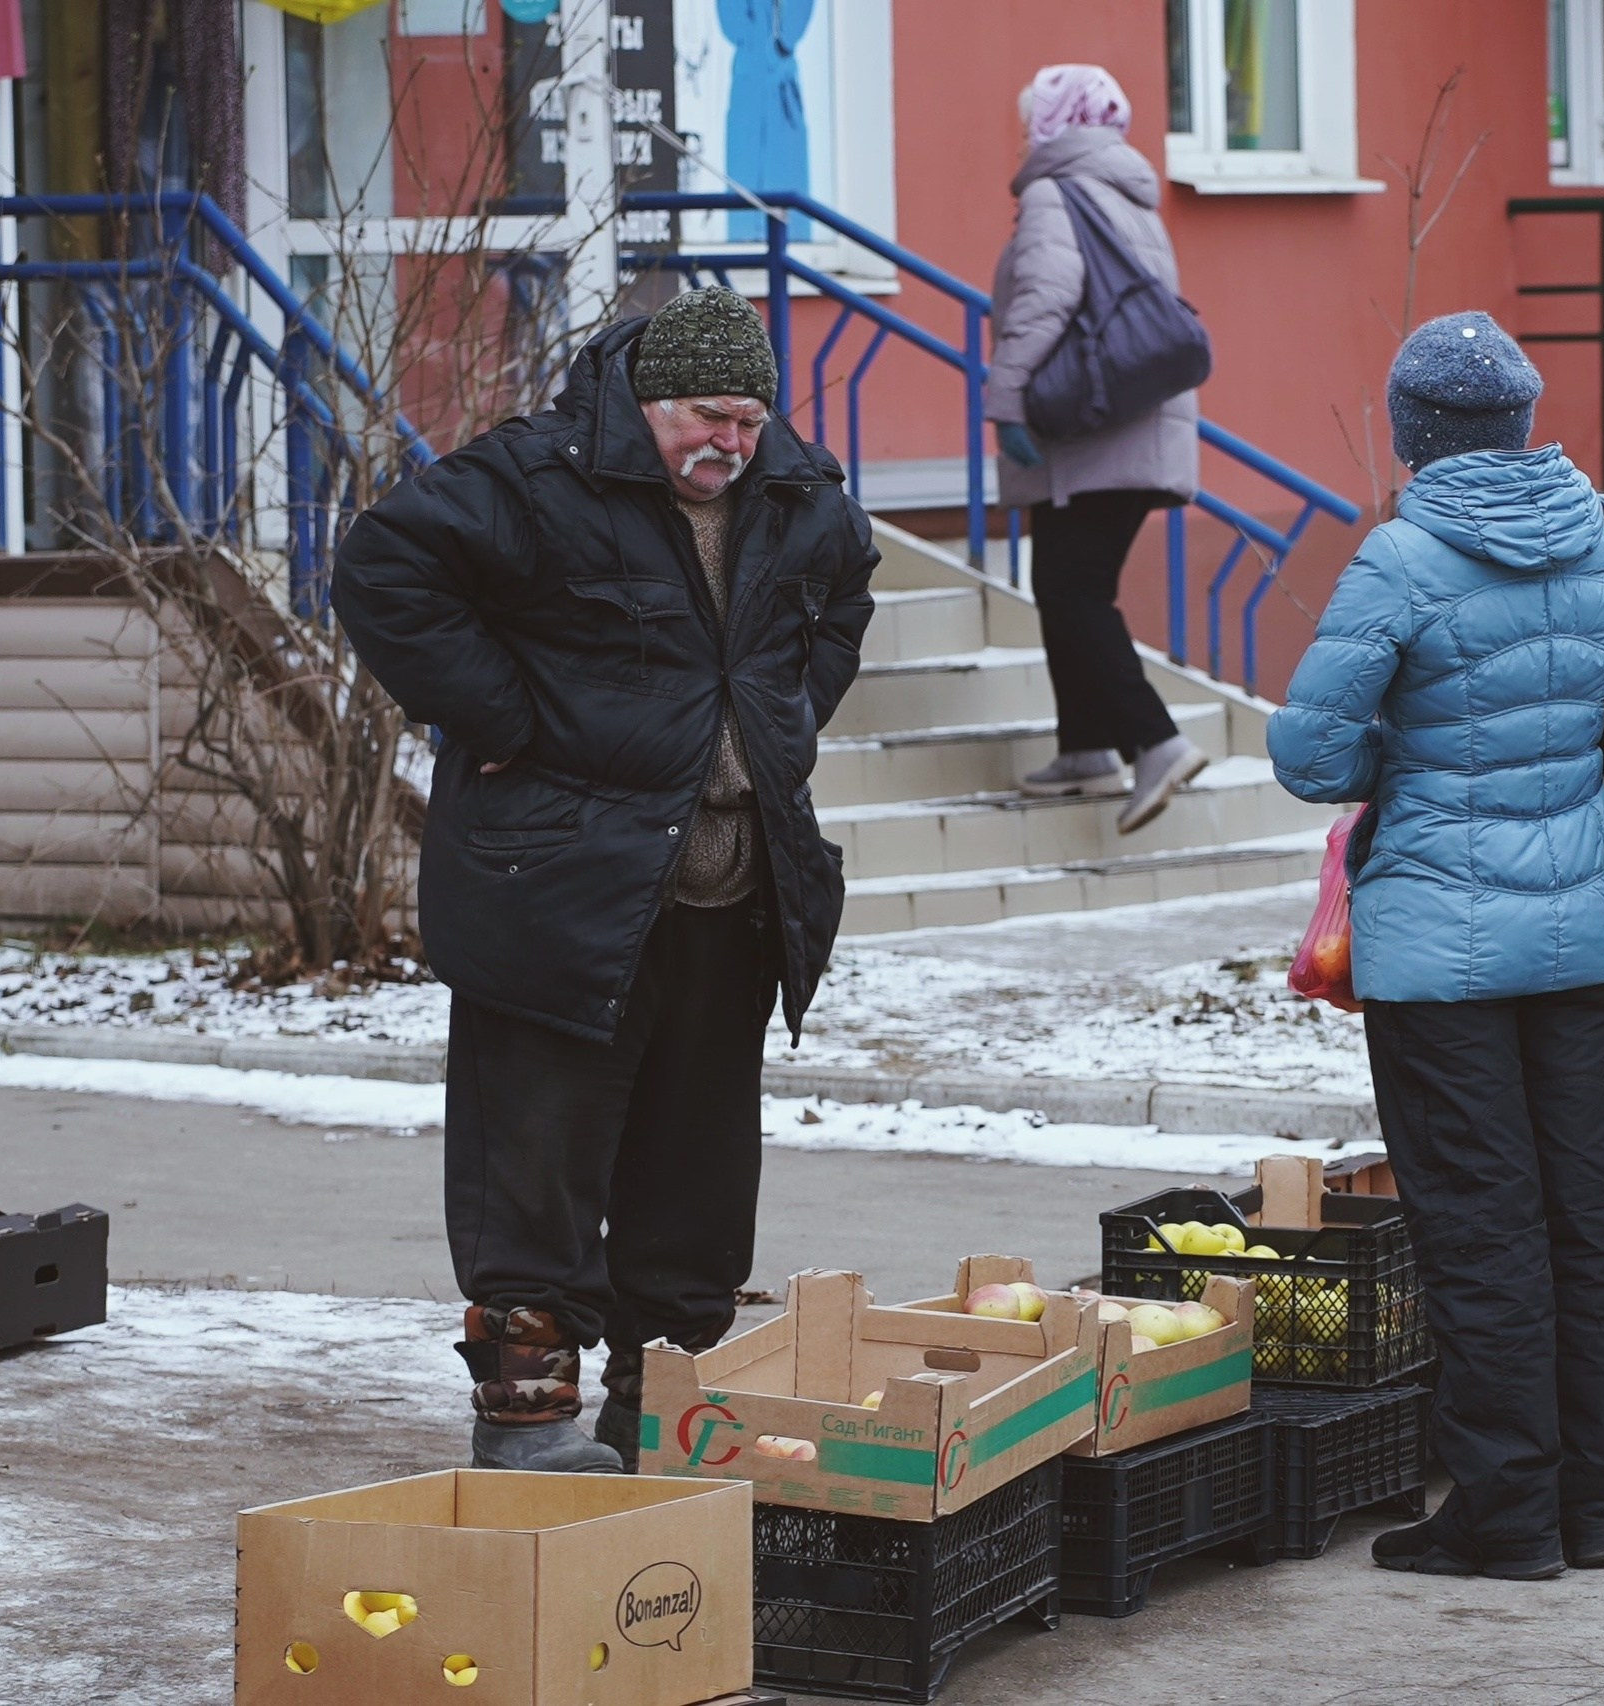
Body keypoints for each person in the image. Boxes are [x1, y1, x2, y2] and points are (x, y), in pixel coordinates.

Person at [332, 288, 877, 1473]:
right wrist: (500, 715)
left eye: (746, 418)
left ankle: (658, 1412)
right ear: (645, 400)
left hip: (727, 902)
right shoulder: (539, 478)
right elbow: (384, 567)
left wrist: (779, 722)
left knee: (697, 1179)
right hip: (558, 894)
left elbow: (841, 606)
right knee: (535, 1169)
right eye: (702, 416)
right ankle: (527, 1424)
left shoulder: (801, 496)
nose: (725, 444)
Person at [1269, 312, 1604, 1577]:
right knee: (1584, 1215)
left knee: (1482, 1229)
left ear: (1413, 434)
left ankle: (1503, 1516)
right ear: (1519, 419)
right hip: (1579, 939)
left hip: (1438, 953)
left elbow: (1309, 756)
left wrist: (1412, 743)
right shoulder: (1600, 528)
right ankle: (1590, 1506)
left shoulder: (1401, 555)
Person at [987, 62, 1208, 833]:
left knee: (1074, 592)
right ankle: (1084, 748)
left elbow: (1046, 302)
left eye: (1030, 118)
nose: (1023, 133)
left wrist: (1004, 395)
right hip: (1128, 429)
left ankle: (1155, 740)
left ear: (1054, 123)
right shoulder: (1125, 191)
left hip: (1092, 436)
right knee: (1065, 585)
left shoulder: (1056, 193)